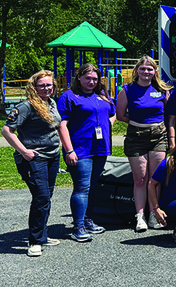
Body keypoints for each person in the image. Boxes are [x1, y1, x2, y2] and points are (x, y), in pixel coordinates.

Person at [2, 71, 62, 257]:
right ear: (34, 87)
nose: (47, 88)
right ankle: (35, 241)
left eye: (49, 85)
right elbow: (6, 130)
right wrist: (24, 152)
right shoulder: (26, 106)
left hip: (53, 156)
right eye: (42, 85)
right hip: (34, 159)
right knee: (41, 197)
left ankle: (42, 235)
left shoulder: (50, 103)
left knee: (46, 196)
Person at [56, 63, 116, 242]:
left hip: (100, 148)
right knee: (82, 187)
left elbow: (113, 113)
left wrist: (107, 126)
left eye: (95, 79)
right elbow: (61, 125)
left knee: (93, 186)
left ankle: (88, 220)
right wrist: (69, 150)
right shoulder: (69, 96)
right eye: (88, 78)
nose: (91, 82)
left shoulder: (102, 96)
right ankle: (78, 226)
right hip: (80, 149)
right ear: (79, 78)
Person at [116, 55, 171, 233]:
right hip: (136, 136)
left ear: (155, 71)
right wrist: (138, 122)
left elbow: (169, 113)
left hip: (159, 136)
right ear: (137, 71)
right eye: (143, 69)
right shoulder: (127, 90)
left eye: (150, 69)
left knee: (155, 179)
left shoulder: (162, 89)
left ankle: (154, 213)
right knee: (140, 179)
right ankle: (140, 216)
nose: (146, 72)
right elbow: (121, 115)